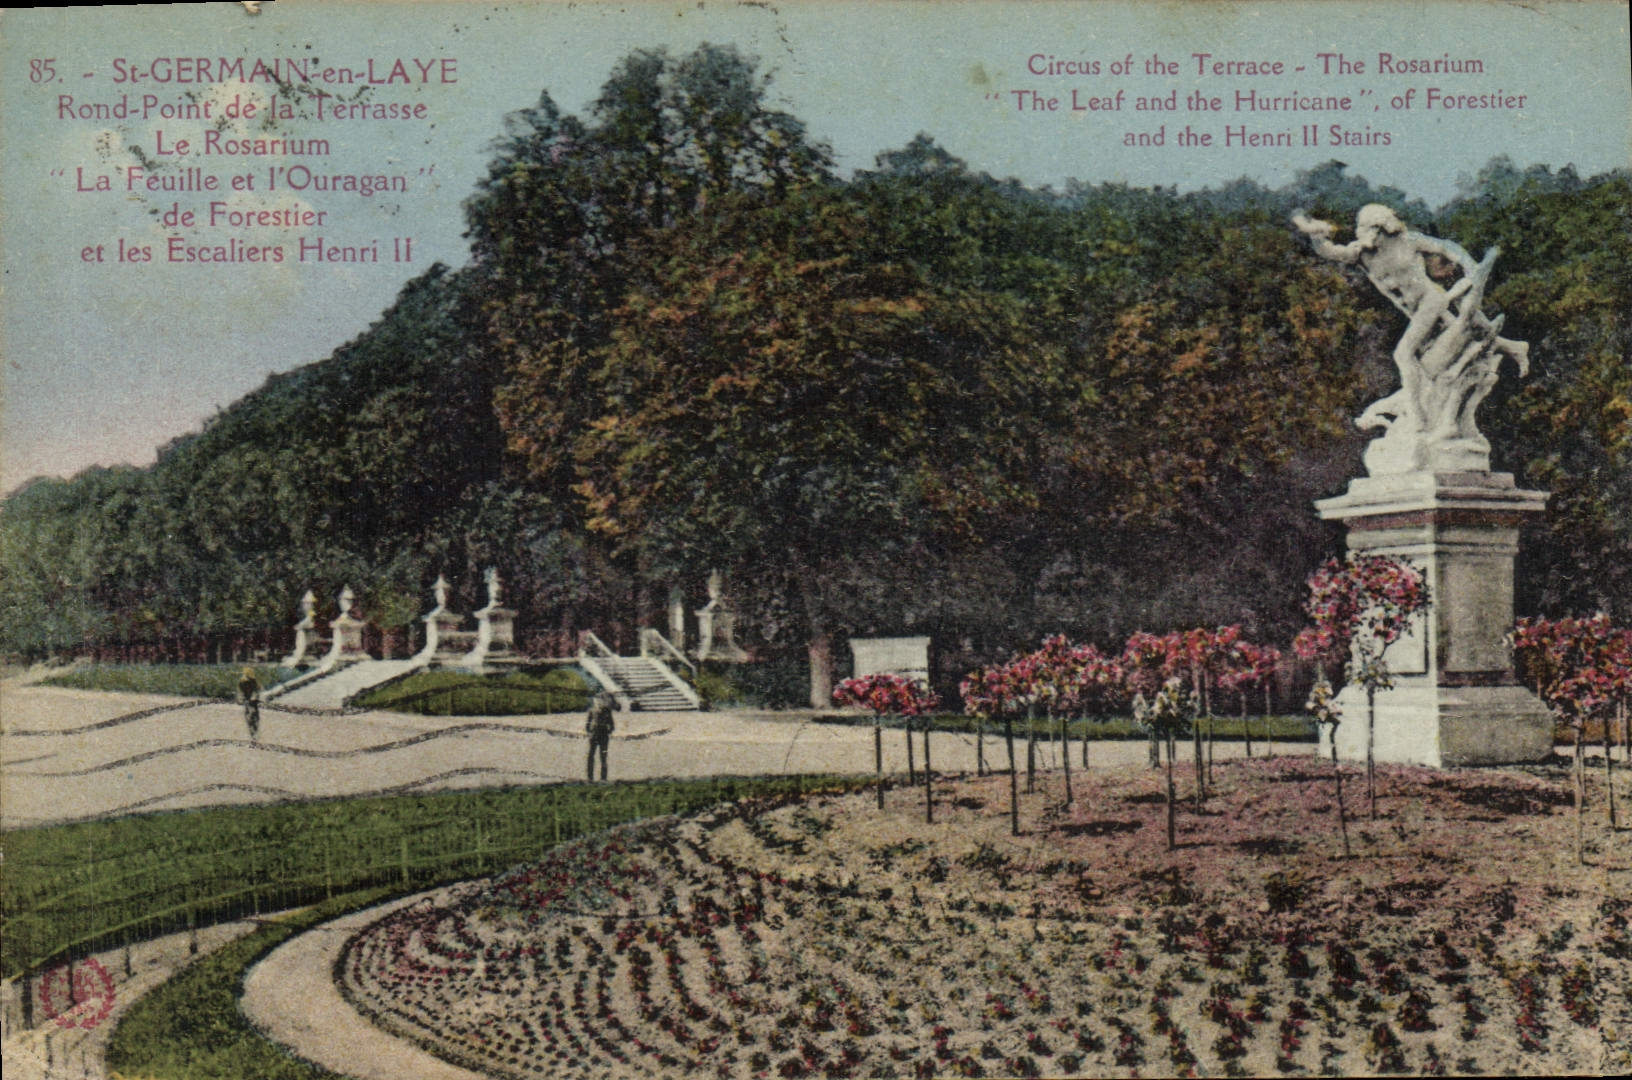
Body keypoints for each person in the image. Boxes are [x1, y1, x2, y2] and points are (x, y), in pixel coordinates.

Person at [586, 690, 619, 782]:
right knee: (591, 756)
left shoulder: (607, 711)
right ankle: (590, 777)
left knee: (603, 756)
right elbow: (588, 723)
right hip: (594, 735)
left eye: (601, 700)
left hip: (603, 735)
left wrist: (609, 730)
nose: (599, 702)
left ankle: (603, 778)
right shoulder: (592, 710)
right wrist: (589, 731)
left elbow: (612, 724)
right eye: (597, 700)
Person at [239, 667, 262, 741]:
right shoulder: (242, 682)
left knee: (254, 716)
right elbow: (240, 691)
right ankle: (252, 733)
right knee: (249, 717)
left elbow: (258, 689)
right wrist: (242, 698)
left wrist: (255, 697)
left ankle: (255, 731)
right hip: (247, 701)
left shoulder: (254, 681)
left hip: (253, 701)